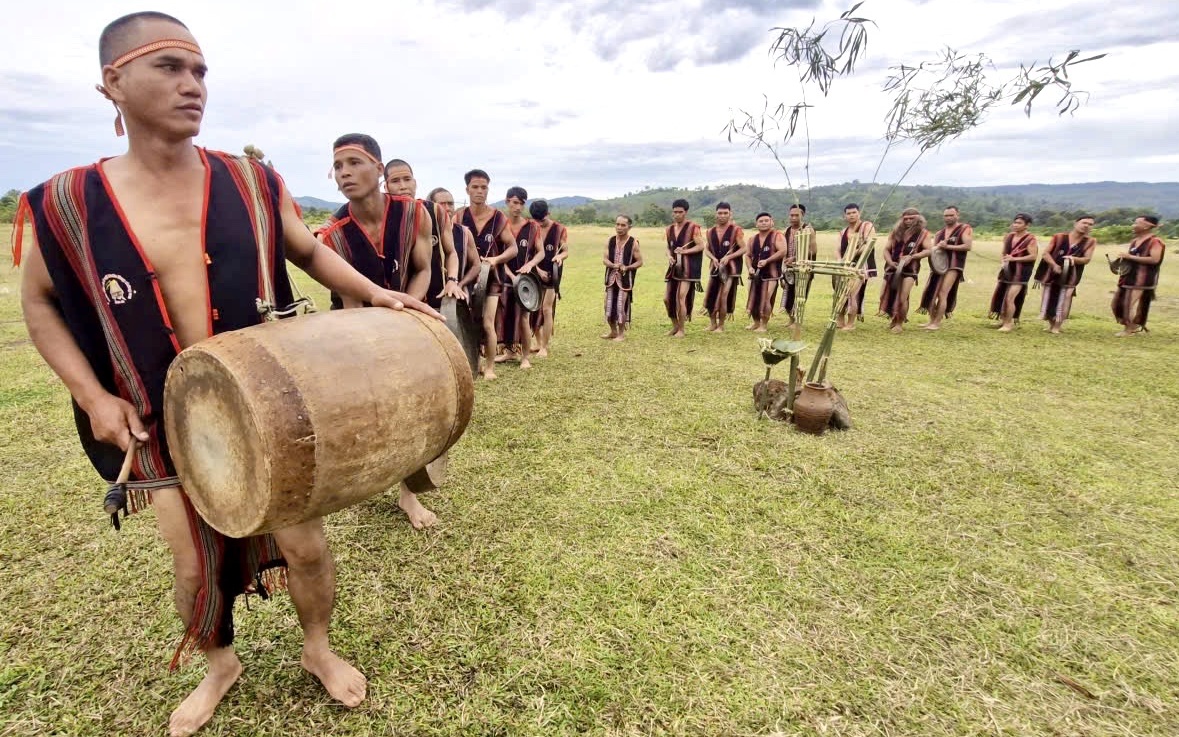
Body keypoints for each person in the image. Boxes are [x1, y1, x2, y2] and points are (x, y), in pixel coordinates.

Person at [12, 12, 439, 737]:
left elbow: (307, 250)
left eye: (200, 71)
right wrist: (91, 395)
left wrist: (373, 293)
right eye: (170, 68)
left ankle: (317, 648)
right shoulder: (64, 202)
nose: (192, 85)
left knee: (305, 545)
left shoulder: (249, 179)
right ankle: (220, 663)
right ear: (112, 82)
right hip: (156, 415)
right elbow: (40, 303)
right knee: (190, 569)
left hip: (269, 407)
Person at [316, 136, 433, 308]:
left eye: (354, 162)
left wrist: (407, 309)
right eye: (338, 166)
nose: (344, 172)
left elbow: (422, 270)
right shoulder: (331, 236)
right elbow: (351, 300)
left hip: (409, 316)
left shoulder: (414, 213)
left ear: (379, 169)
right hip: (359, 322)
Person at [455, 169, 517, 380]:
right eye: (475, 187)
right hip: (467, 276)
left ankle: (489, 367)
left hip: (492, 279)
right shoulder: (459, 216)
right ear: (467, 189)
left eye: (484, 188)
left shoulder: (498, 217)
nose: (480, 191)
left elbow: (513, 248)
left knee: (487, 322)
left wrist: (496, 260)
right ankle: (474, 363)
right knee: (468, 321)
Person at [382, 159, 464, 308]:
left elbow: (451, 253)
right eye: (395, 181)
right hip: (395, 305)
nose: (403, 186)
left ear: (415, 182)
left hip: (436, 300)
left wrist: (452, 281)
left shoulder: (435, 212)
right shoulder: (382, 216)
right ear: (386, 186)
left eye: (407, 179)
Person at [497, 186, 540, 369]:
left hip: (525, 280)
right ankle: (509, 352)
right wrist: (507, 271)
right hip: (503, 277)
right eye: (514, 202)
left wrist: (530, 264)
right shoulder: (500, 224)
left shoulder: (531, 227)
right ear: (507, 201)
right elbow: (498, 253)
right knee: (504, 314)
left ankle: (525, 358)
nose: (517, 207)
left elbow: (540, 253)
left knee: (524, 316)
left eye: (521, 203)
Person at [1036, 215, 1097, 334]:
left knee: (1065, 298)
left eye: (1090, 224)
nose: (1087, 226)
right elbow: (1046, 254)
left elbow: (1087, 259)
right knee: (1049, 297)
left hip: (1071, 275)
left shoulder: (1090, 241)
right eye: (1084, 222)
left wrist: (1073, 259)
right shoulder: (1058, 237)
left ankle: (1057, 326)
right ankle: (1051, 324)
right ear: (1075, 223)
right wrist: (1054, 265)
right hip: (1052, 272)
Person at [918, 206, 973, 330]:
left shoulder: (964, 229)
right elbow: (935, 249)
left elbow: (967, 246)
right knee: (932, 292)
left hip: (954, 265)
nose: (948, 218)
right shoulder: (939, 233)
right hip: (938, 265)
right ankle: (931, 320)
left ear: (957, 215)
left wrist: (947, 246)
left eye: (951, 215)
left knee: (943, 293)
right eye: (946, 216)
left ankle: (937, 323)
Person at [1112, 215, 1167, 336]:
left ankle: (1129, 329)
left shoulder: (1155, 241)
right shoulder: (1135, 241)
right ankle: (1133, 325)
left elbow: (1154, 259)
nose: (1134, 225)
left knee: (1128, 304)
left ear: (1147, 226)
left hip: (1142, 278)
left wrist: (1129, 257)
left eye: (1136, 223)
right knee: (1117, 304)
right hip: (1128, 276)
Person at [880, 208, 932, 333]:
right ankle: (893, 318)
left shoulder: (923, 234)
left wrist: (912, 257)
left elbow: (928, 250)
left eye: (911, 218)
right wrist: (890, 261)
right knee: (884, 295)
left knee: (903, 297)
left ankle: (899, 323)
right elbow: (886, 249)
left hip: (910, 270)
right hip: (892, 268)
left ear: (918, 219)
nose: (908, 221)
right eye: (906, 219)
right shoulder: (896, 232)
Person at [528, 199, 568, 357]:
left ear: (548, 214)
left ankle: (544, 346)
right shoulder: (531, 227)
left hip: (553, 273)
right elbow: (531, 254)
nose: (539, 223)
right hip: (533, 272)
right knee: (533, 307)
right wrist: (537, 268)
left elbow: (565, 251)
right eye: (536, 220)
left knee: (546, 308)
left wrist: (560, 258)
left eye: (542, 220)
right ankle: (537, 343)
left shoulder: (559, 229)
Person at [989, 214, 1039, 332]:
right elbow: (1004, 252)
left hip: (1021, 272)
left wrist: (1014, 259)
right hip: (1007, 270)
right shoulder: (1009, 237)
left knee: (1010, 298)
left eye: (1019, 223)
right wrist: (1004, 261)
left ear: (1027, 225)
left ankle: (1008, 324)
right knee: (1002, 295)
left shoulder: (1030, 239)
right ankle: (1003, 320)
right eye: (1015, 222)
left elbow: (1033, 256)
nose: (1016, 225)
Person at [663, 199, 706, 337]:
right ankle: (675, 326)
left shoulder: (693, 228)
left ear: (686, 212)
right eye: (675, 212)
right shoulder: (669, 229)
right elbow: (669, 248)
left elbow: (701, 246)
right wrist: (670, 256)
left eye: (680, 212)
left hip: (688, 269)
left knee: (680, 297)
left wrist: (685, 252)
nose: (677, 215)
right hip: (674, 268)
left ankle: (682, 329)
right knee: (667, 299)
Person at [426, 187, 481, 295]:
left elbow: (477, 265)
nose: (447, 208)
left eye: (450, 204)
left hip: (456, 299)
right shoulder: (423, 232)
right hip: (426, 298)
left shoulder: (464, 233)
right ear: (431, 206)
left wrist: (459, 284)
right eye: (442, 204)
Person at [703, 201, 745, 332]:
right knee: (711, 294)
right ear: (716, 214)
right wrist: (713, 258)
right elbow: (706, 249)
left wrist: (729, 257)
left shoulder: (736, 230)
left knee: (724, 295)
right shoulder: (710, 231)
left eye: (725, 213)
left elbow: (744, 248)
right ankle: (712, 323)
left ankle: (721, 325)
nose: (722, 216)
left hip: (731, 269)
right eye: (720, 213)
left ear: (730, 214)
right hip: (715, 269)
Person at [836, 204, 876, 330]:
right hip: (844, 266)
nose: (851, 215)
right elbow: (837, 249)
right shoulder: (843, 232)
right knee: (840, 293)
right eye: (848, 213)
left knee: (852, 293)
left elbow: (870, 244)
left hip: (860, 266)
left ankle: (851, 323)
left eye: (854, 212)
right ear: (845, 216)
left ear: (859, 213)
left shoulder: (867, 226)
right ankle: (840, 320)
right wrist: (840, 261)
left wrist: (853, 252)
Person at [744, 212, 786, 332]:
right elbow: (747, 255)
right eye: (761, 221)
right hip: (754, 274)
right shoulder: (752, 239)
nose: (764, 223)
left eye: (766, 220)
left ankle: (764, 325)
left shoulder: (777, 236)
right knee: (754, 297)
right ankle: (756, 322)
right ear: (756, 224)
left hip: (771, 274)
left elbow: (782, 251)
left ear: (772, 222)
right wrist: (749, 268)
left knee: (766, 297)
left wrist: (767, 260)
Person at [603, 215, 643, 340]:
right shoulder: (610, 241)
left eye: (623, 225)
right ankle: (613, 331)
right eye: (617, 224)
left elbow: (640, 262)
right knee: (607, 305)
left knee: (620, 306)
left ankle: (621, 334)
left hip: (625, 280)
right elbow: (605, 259)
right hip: (611, 278)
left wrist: (627, 267)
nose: (619, 227)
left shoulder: (633, 243)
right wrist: (612, 265)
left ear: (629, 227)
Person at [780, 204, 817, 314]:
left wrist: (796, 258)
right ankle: (791, 319)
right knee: (788, 294)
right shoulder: (787, 230)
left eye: (796, 215)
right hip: (789, 269)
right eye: (791, 215)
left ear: (803, 215)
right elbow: (783, 250)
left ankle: (797, 320)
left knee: (800, 294)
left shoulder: (808, 230)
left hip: (803, 268)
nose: (793, 218)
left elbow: (813, 251)